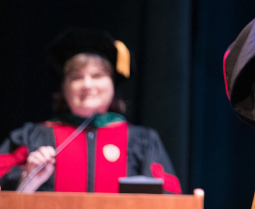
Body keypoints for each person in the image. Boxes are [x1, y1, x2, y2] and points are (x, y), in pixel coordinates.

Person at [0, 27, 181, 194]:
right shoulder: (31, 137)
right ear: (64, 87)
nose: (87, 85)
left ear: (113, 84)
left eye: (97, 75)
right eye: (76, 77)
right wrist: (28, 180)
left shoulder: (142, 141)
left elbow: (169, 200)